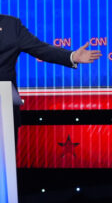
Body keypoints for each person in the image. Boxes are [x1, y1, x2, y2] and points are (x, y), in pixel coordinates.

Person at [0, 14, 102, 144]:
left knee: (3, 161)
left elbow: (40, 48)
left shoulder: (11, 25)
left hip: (4, 112)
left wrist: (71, 56)